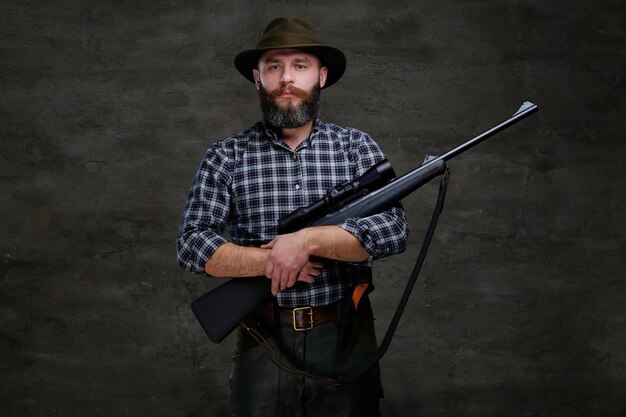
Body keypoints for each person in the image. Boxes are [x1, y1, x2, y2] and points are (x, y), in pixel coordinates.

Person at [177, 16, 408, 417]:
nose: (287, 78)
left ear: (320, 75)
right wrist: (272, 260)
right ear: (257, 77)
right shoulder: (226, 156)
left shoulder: (356, 149)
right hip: (262, 340)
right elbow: (193, 245)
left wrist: (307, 241)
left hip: (345, 336)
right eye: (274, 66)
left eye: (300, 65)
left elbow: (394, 231)